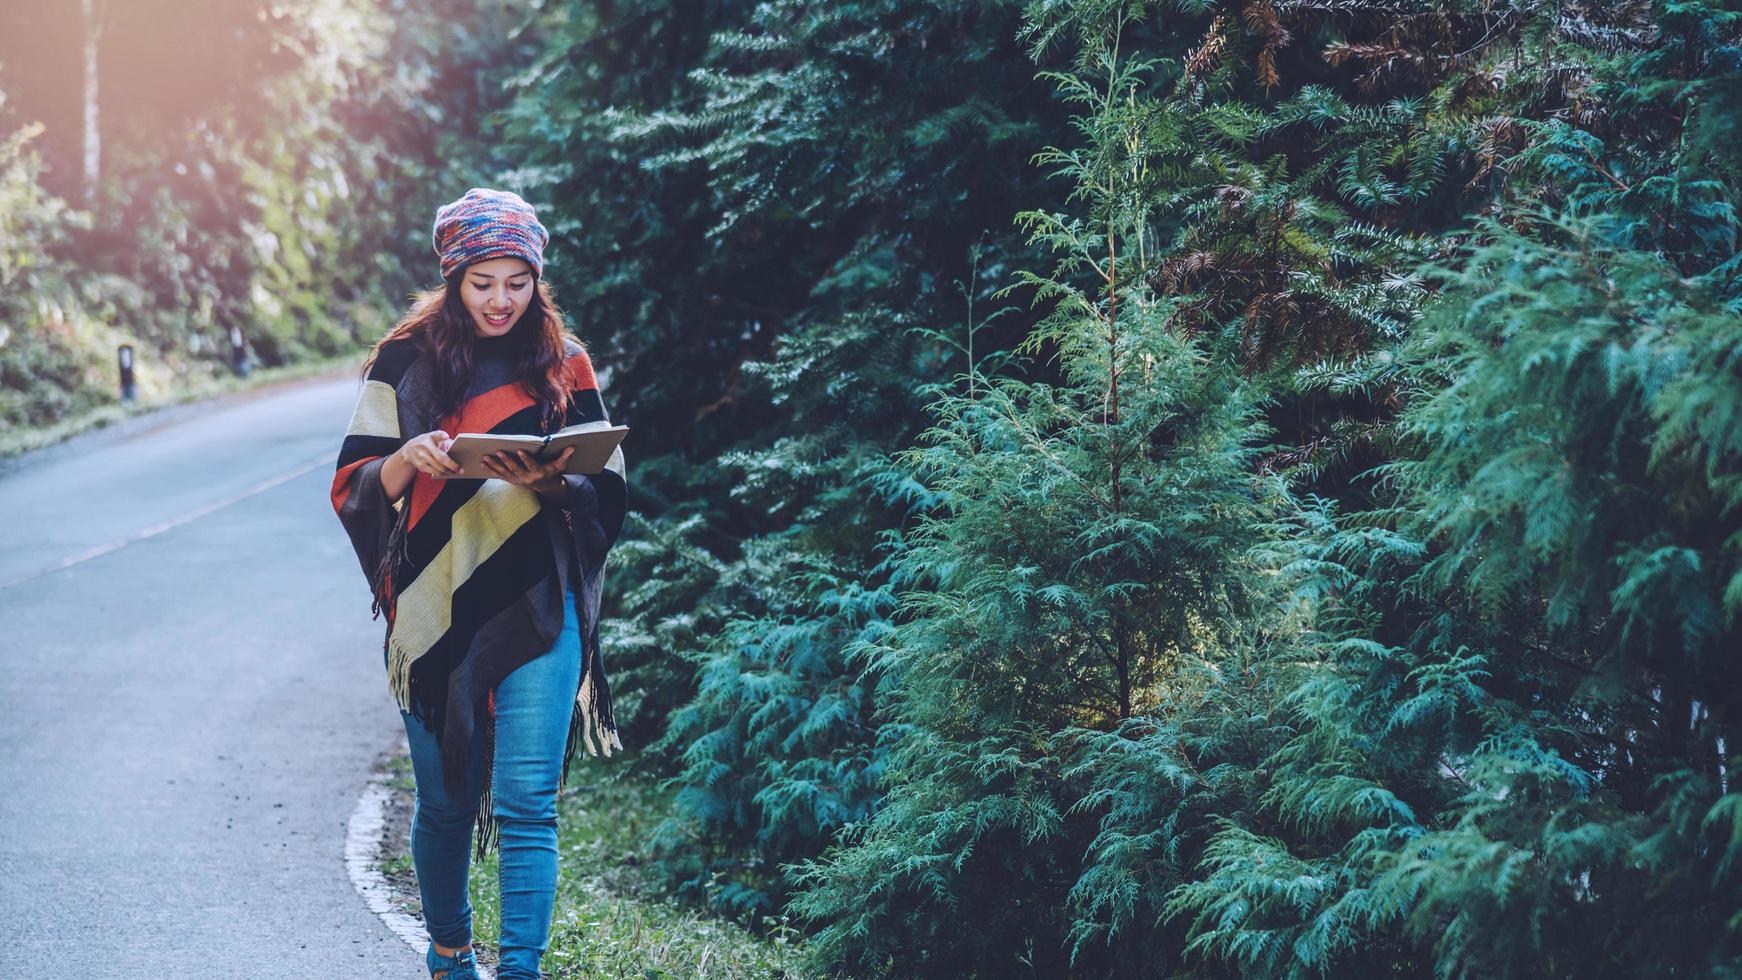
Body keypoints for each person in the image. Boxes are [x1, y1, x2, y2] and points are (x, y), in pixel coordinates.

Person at [330, 187, 629, 980]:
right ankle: (451, 954)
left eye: (517, 282)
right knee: (447, 804)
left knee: (528, 803)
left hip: (543, 599)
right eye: (482, 282)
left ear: (537, 279)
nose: (501, 300)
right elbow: (353, 485)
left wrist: (556, 482)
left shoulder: (563, 361)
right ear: (454, 276)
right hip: (437, 609)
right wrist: (410, 459)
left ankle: (522, 970)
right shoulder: (405, 362)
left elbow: (612, 486)